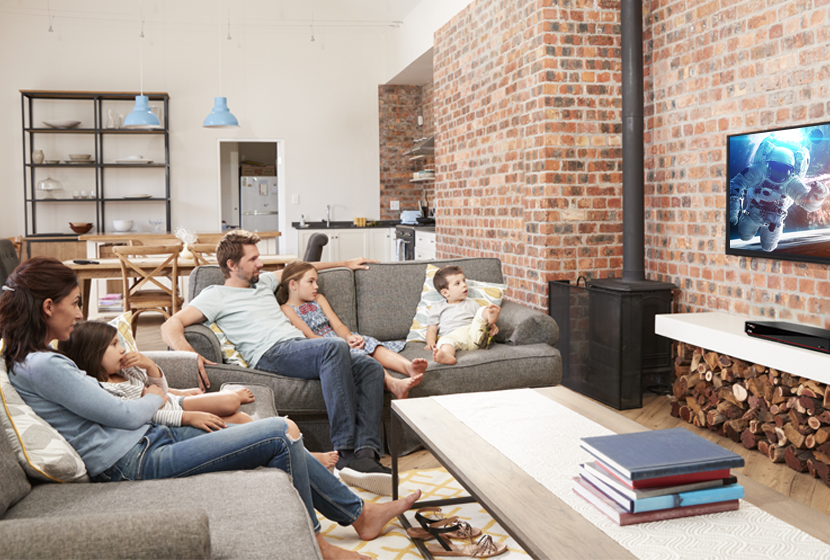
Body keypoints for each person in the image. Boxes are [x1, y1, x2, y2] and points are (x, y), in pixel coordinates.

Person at [0, 257, 420, 560]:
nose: (78, 312)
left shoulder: (33, 360)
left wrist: (153, 387)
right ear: (47, 307)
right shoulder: (44, 364)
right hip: (134, 459)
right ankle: (321, 543)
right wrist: (152, 393)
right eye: (74, 302)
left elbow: (126, 410)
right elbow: (125, 415)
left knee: (279, 435)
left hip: (148, 441)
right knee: (275, 433)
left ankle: (358, 515)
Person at [161, 230, 392, 493]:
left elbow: (302, 268)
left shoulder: (263, 282)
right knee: (334, 347)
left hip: (303, 349)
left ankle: (365, 454)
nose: (260, 263)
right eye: (253, 259)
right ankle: (345, 452)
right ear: (232, 265)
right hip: (271, 354)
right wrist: (188, 353)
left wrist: (345, 263)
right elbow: (171, 324)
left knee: (370, 366)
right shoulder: (214, 295)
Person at [60, 319, 339, 468]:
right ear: (92, 355)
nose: (122, 349)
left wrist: (150, 365)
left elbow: (162, 391)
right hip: (169, 418)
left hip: (172, 406)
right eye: (112, 346)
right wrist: (187, 414)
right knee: (238, 413)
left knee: (238, 414)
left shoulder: (129, 372)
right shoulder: (109, 388)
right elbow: (150, 414)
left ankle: (298, 452)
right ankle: (305, 456)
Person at [277, 260, 427, 400]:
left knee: (370, 343)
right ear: (293, 284)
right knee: (359, 354)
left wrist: (349, 337)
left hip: (339, 338)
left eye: (316, 281)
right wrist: (341, 344)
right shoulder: (286, 309)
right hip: (324, 346)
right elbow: (310, 336)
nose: (316, 286)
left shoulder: (319, 299)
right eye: (310, 281)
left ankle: (408, 368)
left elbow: (337, 325)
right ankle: (393, 383)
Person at [730, 136, 829, 251]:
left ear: (791, 171)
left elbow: (808, 203)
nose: (777, 173)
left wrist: (819, 193)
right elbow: (737, 184)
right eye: (775, 168)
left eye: (782, 170)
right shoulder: (759, 171)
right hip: (753, 213)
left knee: (769, 247)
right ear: (768, 165)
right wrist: (733, 211)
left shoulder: (792, 182)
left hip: (774, 219)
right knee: (744, 236)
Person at [425, 265, 501, 366]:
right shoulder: (437, 308)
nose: (464, 285)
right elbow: (432, 329)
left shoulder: (472, 303)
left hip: (473, 335)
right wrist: (430, 342)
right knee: (444, 341)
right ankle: (447, 356)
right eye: (457, 283)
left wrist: (491, 326)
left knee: (481, 312)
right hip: (454, 337)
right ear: (445, 292)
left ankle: (490, 314)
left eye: (464, 280)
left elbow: (480, 322)